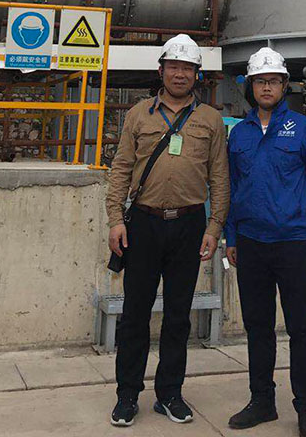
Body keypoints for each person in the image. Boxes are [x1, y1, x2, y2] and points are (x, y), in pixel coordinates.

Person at [106, 34, 230, 427]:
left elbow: (219, 177)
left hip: (189, 226)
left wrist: (214, 226)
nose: (180, 74)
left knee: (178, 316)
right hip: (143, 224)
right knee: (134, 314)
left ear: (197, 74)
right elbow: (121, 168)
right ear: (161, 71)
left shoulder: (210, 119)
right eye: (174, 66)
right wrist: (115, 219)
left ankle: (170, 395)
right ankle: (127, 395)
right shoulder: (139, 115)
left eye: (187, 68)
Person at [225, 48, 306, 437]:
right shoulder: (239, 134)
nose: (267, 88)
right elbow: (232, 188)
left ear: (284, 85)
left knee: (301, 328)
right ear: (250, 86)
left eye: (273, 81)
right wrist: (231, 235)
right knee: (257, 327)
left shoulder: (303, 130)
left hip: (292, 242)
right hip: (251, 242)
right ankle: (262, 402)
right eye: (260, 81)